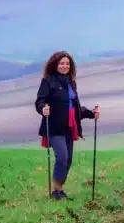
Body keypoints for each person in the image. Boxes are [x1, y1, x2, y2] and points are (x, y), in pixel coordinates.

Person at [34, 51, 100, 200]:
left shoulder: (71, 83)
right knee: (62, 157)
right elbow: (39, 101)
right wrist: (43, 109)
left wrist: (91, 113)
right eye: (62, 63)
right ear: (55, 65)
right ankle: (56, 193)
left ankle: (59, 190)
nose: (65, 66)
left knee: (68, 160)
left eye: (67, 64)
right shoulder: (48, 81)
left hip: (70, 127)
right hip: (55, 126)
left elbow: (75, 108)